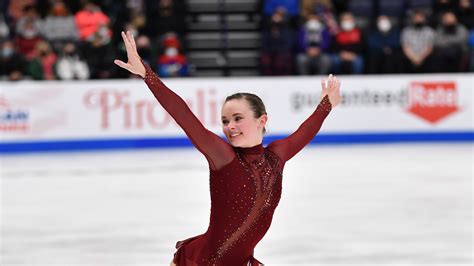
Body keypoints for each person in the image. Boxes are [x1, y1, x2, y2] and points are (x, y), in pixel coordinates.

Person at [114, 31, 341, 266]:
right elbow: (184, 115)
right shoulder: (223, 157)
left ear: (261, 120)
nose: (229, 127)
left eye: (237, 118)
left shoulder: (277, 156)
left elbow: (304, 132)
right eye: (224, 121)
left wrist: (327, 104)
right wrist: (146, 74)